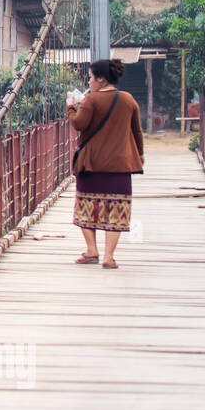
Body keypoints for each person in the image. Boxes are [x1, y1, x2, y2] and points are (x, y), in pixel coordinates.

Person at [66, 58, 144, 269]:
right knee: (116, 210)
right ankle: (109, 256)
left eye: (91, 78)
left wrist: (71, 109)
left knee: (86, 207)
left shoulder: (91, 100)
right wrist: (140, 154)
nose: (89, 82)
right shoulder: (128, 99)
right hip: (120, 166)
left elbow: (80, 124)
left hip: (91, 165)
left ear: (100, 79)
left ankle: (92, 250)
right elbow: (137, 131)